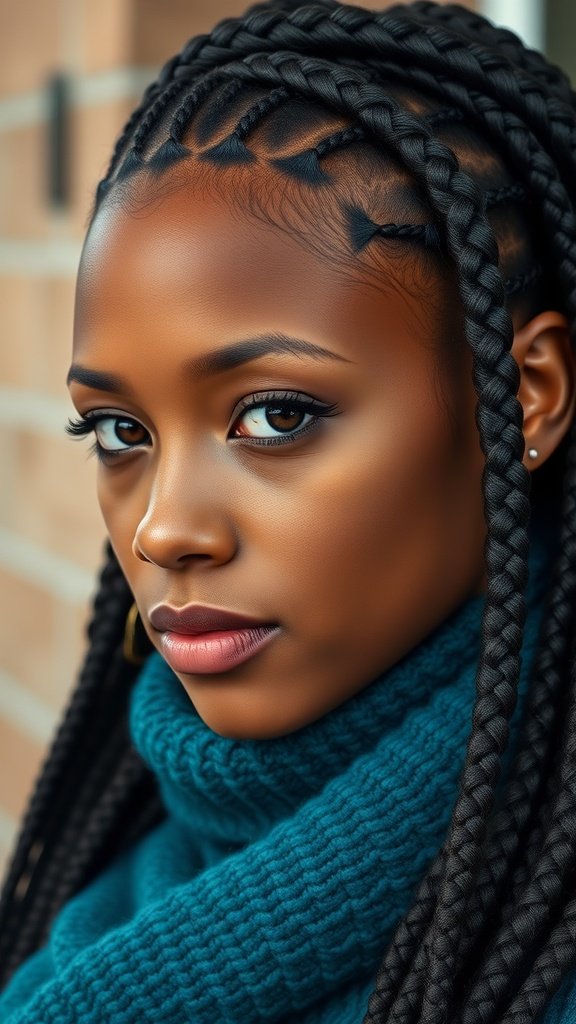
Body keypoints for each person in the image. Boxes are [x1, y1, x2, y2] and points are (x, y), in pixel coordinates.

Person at [1, 0, 576, 1020]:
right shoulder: (115, 872)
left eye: (275, 415)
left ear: (525, 394)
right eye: (121, 433)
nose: (165, 529)